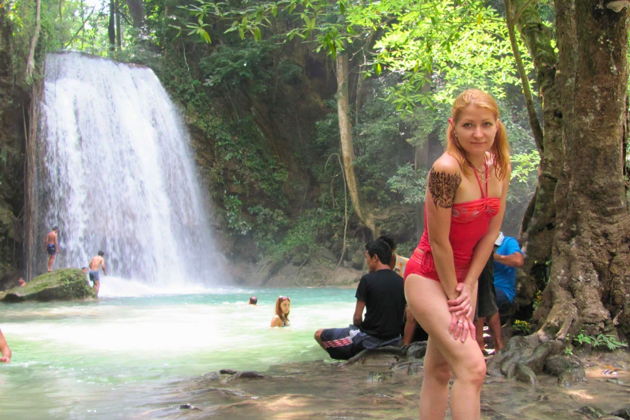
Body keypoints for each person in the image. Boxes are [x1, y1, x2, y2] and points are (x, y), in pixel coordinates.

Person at [404, 89, 510, 420]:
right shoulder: (445, 170)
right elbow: (439, 242)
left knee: (440, 369)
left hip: (466, 280)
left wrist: (471, 284)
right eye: (468, 125)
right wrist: (455, 295)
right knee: (473, 367)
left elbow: (490, 234)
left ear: (497, 125)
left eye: (486, 124)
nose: (478, 133)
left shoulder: (500, 166)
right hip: (428, 276)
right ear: (454, 126)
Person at [314, 239, 406, 360]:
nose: (367, 262)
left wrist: (360, 328)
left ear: (375, 258)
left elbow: (357, 318)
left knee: (319, 334)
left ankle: (350, 360)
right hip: (394, 339)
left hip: (370, 339)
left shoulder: (367, 280)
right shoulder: (401, 281)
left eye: (367, 257)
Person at [474, 252, 503, 352]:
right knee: (485, 298)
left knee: (483, 297)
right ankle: (483, 344)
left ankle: (482, 344)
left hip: (480, 258)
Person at [493, 232, 524, 314]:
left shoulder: (508, 242)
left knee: (485, 298)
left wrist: (493, 256)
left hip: (501, 290)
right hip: (480, 288)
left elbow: (518, 260)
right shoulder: (479, 242)